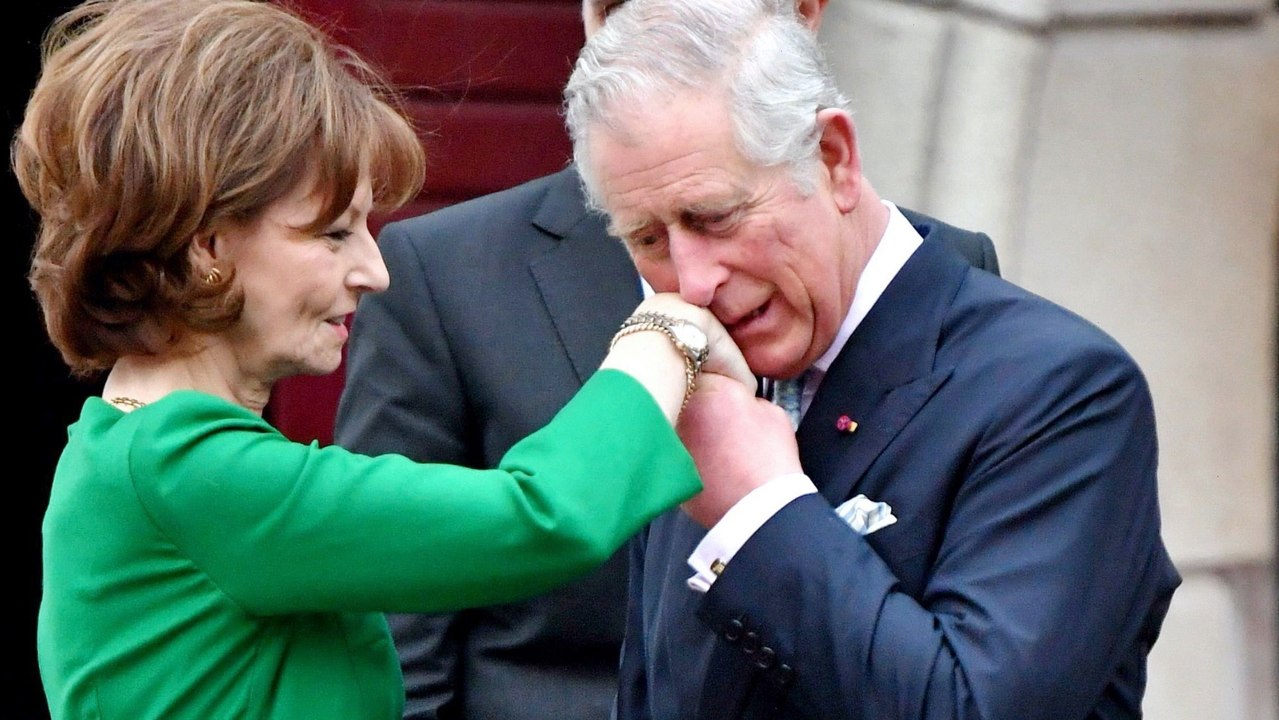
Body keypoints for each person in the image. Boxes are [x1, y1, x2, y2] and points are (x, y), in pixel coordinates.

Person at [15, 1, 782, 718]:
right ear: (208, 247)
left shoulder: (136, 448)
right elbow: (541, 518)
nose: (374, 273)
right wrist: (666, 331)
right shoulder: (185, 468)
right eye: (331, 233)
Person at [560, 0, 1182, 718]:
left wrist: (760, 511)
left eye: (715, 217)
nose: (692, 279)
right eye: (647, 239)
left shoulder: (1059, 388)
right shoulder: (699, 387)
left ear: (833, 159)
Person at [334, 2, 901, 720]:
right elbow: (393, 632)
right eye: (611, 7)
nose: (643, 27)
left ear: (800, 14)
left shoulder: (926, 275)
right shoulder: (444, 273)